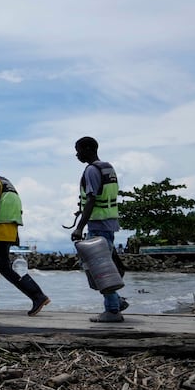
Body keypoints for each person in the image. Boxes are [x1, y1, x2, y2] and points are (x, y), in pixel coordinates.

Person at [0, 158, 50, 316]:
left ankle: (38, 296)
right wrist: (16, 234)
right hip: (9, 228)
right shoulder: (6, 182)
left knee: (4, 268)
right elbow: (13, 207)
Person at [70, 137, 128, 322]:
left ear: (88, 149)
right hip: (109, 224)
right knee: (105, 268)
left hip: (98, 226)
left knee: (100, 271)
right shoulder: (107, 168)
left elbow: (92, 199)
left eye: (78, 150)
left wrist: (79, 228)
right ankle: (117, 302)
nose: (77, 154)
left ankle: (112, 310)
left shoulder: (91, 170)